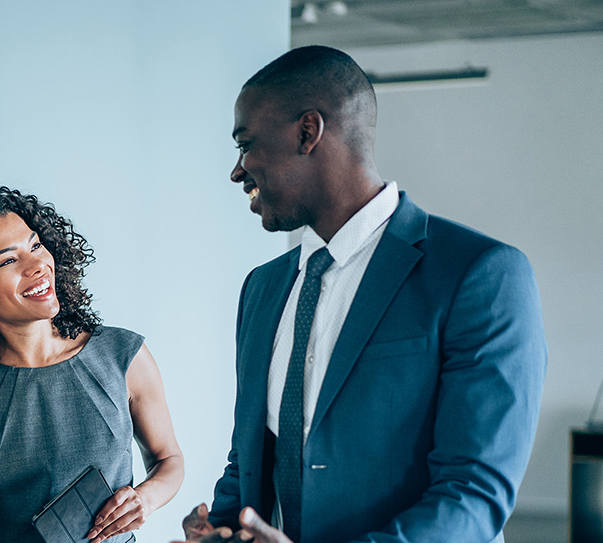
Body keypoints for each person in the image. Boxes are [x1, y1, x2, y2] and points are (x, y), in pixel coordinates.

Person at [177, 46, 546, 543]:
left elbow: (473, 498)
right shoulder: (262, 288)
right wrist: (219, 531)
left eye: (246, 144)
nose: (237, 170)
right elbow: (252, 458)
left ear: (309, 132)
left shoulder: (480, 275)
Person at [0, 187, 184, 543]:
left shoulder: (123, 354)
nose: (37, 266)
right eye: (8, 261)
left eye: (36, 246)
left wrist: (144, 500)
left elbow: (169, 460)